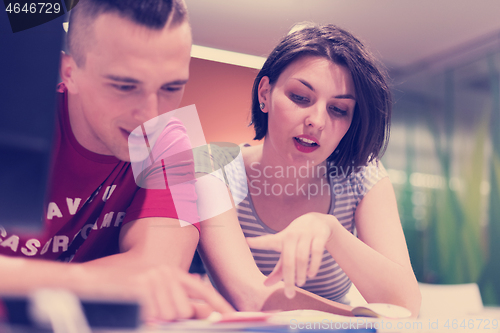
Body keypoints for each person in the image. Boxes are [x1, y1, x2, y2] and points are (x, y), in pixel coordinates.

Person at [0, 0, 233, 322]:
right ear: (70, 72)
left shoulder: (172, 138)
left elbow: (157, 269)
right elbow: (142, 282)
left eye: (171, 87)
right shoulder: (13, 120)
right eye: (125, 86)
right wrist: (96, 282)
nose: (151, 115)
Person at [194, 23, 421, 316]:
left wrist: (330, 231)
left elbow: (407, 306)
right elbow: (251, 298)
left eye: (338, 110)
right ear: (265, 93)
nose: (317, 120)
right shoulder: (211, 167)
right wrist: (359, 319)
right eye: (300, 97)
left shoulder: (362, 176)